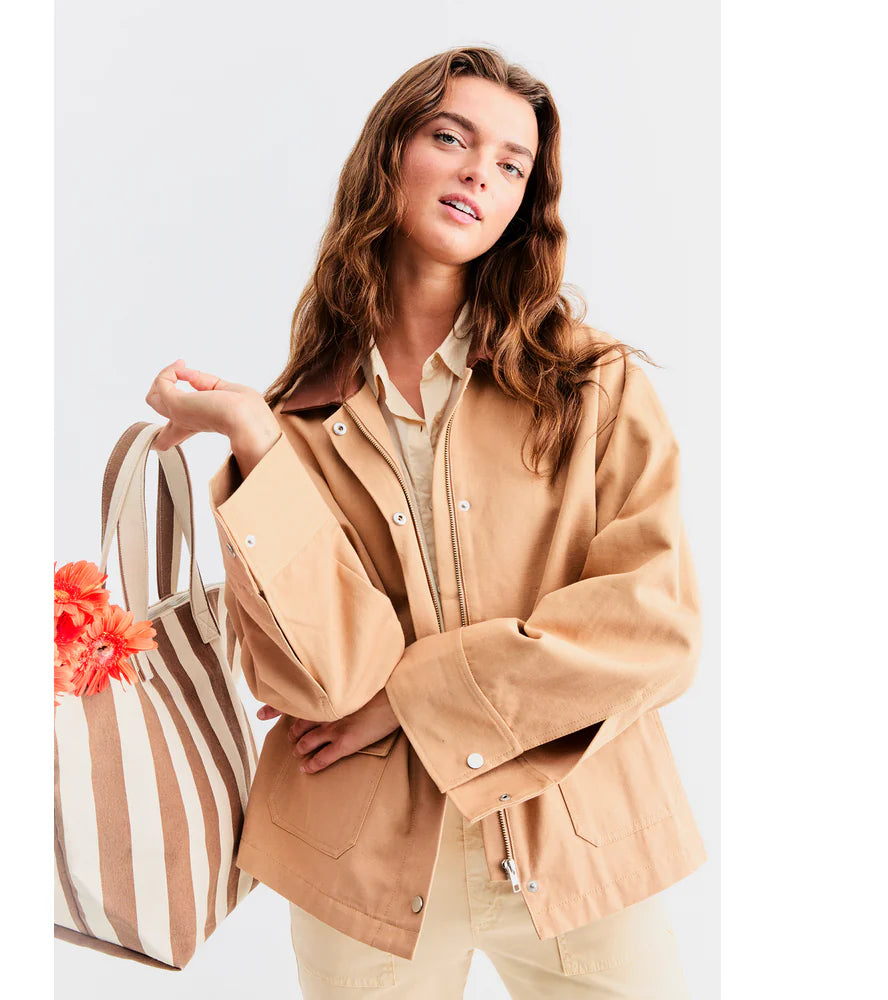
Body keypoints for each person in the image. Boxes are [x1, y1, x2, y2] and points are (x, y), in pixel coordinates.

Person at [145, 45, 704, 1000]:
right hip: (358, 862)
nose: (480, 172)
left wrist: (408, 702)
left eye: (512, 164)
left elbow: (653, 631)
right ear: (390, 156)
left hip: (577, 833)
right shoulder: (295, 429)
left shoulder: (592, 387)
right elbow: (311, 682)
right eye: (452, 137)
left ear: (524, 202)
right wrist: (252, 438)